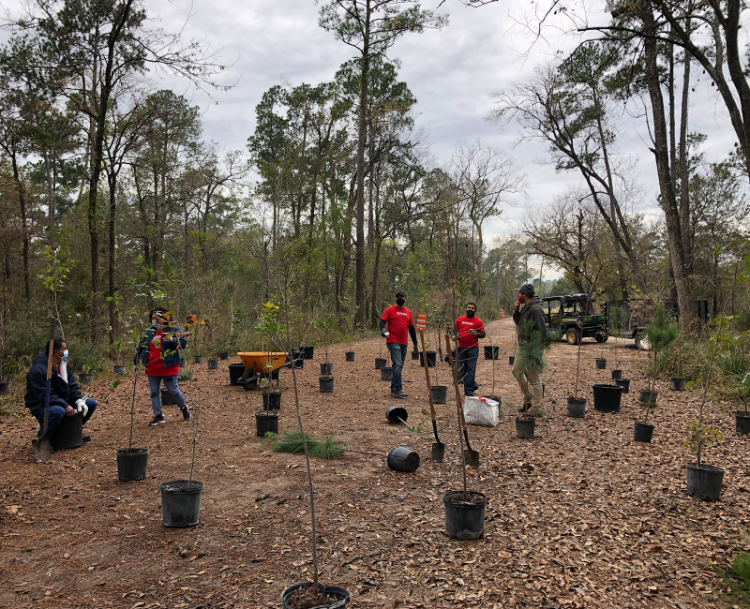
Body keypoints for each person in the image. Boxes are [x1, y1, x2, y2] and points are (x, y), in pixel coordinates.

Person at [25, 337, 97, 442]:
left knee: (90, 404)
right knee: (58, 411)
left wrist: (79, 400)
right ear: (56, 352)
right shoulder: (38, 370)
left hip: (62, 400)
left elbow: (73, 385)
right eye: (64, 349)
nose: (66, 351)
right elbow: (45, 395)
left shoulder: (64, 365)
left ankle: (70, 431)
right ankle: (44, 439)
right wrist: (64, 405)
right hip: (42, 404)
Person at [135, 308, 191, 426]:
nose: (155, 321)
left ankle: (184, 408)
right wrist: (136, 361)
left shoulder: (173, 329)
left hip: (168, 367)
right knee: (154, 392)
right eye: (153, 318)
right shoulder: (149, 331)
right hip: (152, 368)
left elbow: (183, 343)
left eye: (157, 318)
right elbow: (142, 346)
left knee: (173, 391)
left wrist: (173, 340)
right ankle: (158, 416)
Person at [512, 283, 547, 417]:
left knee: (533, 377)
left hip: (532, 348)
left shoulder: (536, 309)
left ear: (524, 295)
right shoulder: (526, 308)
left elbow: (542, 332)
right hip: (523, 347)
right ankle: (528, 398)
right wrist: (516, 310)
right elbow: (519, 323)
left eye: (520, 293)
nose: (518, 296)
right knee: (516, 371)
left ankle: (536, 407)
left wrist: (536, 351)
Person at [379, 290, 419, 399]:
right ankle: (397, 389)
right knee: (397, 364)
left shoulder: (408, 313)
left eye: (401, 297)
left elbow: (411, 329)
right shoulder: (390, 310)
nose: (399, 298)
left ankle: (393, 388)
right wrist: (383, 329)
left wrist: (415, 344)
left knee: (399, 365)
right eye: (398, 297)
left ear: (405, 298)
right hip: (392, 340)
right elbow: (382, 321)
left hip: (404, 342)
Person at [453, 302, 486, 397]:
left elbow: (483, 334)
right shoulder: (459, 319)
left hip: (473, 348)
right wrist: (454, 336)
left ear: (475, 310)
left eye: (472, 308)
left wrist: (476, 334)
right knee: (463, 370)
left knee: (471, 369)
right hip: (461, 348)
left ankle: (468, 389)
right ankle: (473, 385)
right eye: (468, 307)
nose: (470, 309)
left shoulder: (478, 321)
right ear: (466, 309)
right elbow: (454, 330)